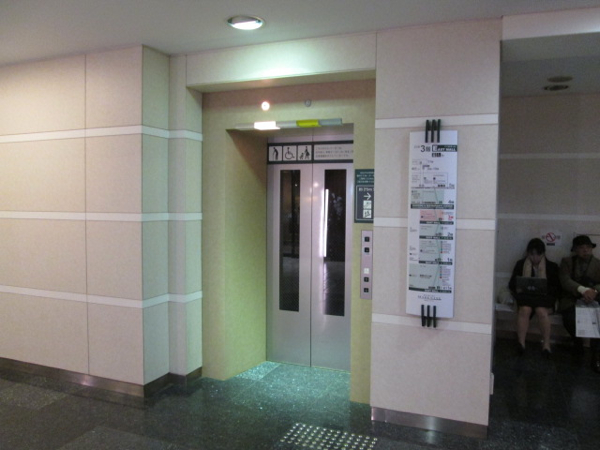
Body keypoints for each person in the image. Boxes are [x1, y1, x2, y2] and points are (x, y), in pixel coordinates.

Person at [509, 238, 560, 357]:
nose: (535, 258)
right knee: (524, 309)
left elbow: (557, 287)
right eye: (532, 254)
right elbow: (512, 284)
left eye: (538, 254)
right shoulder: (521, 264)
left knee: (541, 311)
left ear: (543, 254)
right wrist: (521, 286)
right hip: (526, 297)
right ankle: (521, 343)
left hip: (544, 299)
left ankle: (546, 344)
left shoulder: (552, 266)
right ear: (528, 253)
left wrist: (544, 290)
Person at [559, 235, 600, 373]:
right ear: (575, 249)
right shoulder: (567, 262)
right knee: (569, 318)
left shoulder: (598, 264)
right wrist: (583, 290)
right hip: (572, 297)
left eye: (588, 247)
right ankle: (577, 343)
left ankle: (596, 353)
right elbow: (565, 280)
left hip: (594, 299)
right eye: (582, 247)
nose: (585, 250)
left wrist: (594, 291)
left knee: (598, 321)